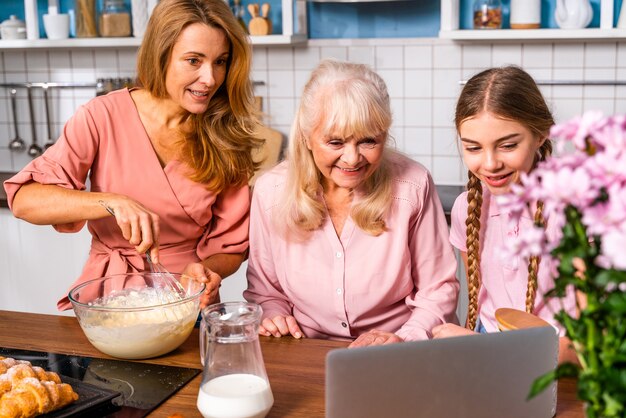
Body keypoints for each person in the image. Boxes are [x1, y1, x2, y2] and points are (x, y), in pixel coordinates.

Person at [3, 0, 261, 310]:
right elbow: (25, 200)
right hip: (109, 299)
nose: (210, 78)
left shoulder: (226, 134)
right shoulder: (102, 117)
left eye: (220, 61)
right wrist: (111, 202)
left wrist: (209, 271)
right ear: (160, 55)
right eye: (194, 60)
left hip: (187, 302)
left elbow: (231, 246)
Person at [244, 59, 459, 348]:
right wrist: (274, 315)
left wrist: (403, 339)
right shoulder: (271, 191)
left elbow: (438, 290)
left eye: (368, 141)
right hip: (306, 348)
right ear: (307, 137)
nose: (352, 158)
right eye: (335, 142)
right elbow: (266, 291)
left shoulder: (413, 185)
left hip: (400, 349)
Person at [431, 66, 578, 362]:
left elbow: (590, 345)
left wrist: (482, 348)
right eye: (473, 147)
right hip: (488, 343)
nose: (490, 164)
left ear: (541, 135)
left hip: (558, 357)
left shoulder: (573, 211)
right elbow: (481, 294)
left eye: (508, 145)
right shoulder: (467, 208)